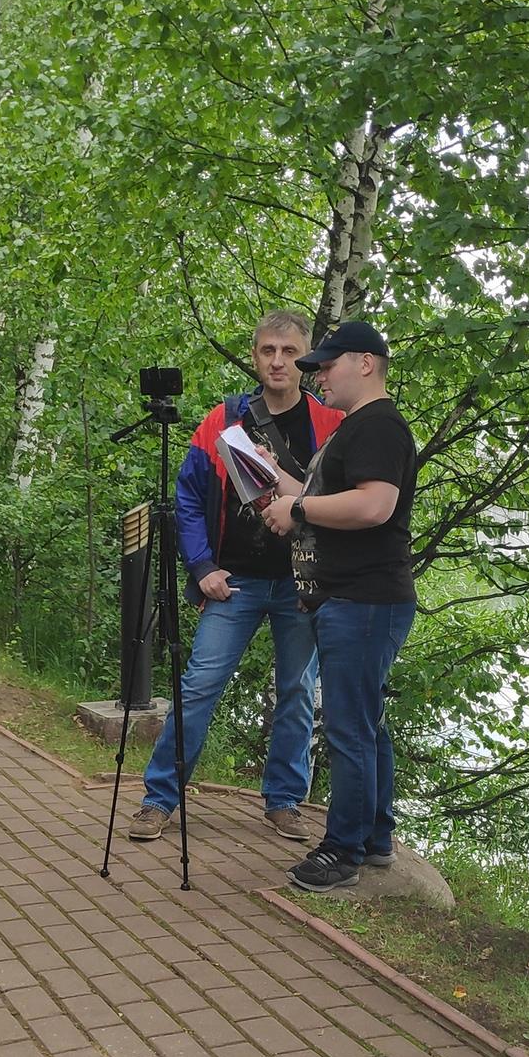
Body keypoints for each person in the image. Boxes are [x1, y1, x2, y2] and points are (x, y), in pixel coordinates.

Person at [128, 310, 345, 842]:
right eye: (268, 350)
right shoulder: (223, 421)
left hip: (300, 584)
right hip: (235, 583)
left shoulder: (330, 424)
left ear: (306, 359)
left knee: (298, 691)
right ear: (254, 356)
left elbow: (343, 502)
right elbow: (187, 496)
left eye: (290, 352)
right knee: (199, 685)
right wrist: (202, 566)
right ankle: (159, 798)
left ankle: (284, 800)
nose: (278, 361)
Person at [260, 318, 417, 891]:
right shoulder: (359, 426)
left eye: (327, 365)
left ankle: (342, 851)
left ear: (365, 364)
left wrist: (298, 510)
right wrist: (275, 478)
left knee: (350, 729)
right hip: (355, 599)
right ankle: (374, 838)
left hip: (364, 600)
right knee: (366, 724)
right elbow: (324, 494)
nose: (319, 375)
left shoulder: (378, 426)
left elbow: (374, 506)